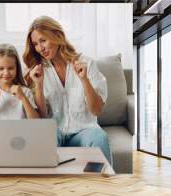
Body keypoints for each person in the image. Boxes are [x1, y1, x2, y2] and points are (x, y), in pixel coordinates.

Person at [23, 16, 113, 165]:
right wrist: (38, 85)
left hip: (84, 131)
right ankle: (52, 187)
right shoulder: (38, 70)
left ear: (57, 36)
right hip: (55, 132)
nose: (40, 48)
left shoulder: (87, 63)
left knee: (100, 138)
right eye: (35, 44)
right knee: (44, 137)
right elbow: (43, 116)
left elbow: (96, 110)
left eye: (43, 40)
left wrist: (84, 79)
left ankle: (103, 186)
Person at [0, 43, 39, 123]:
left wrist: (23, 98)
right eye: (1, 69)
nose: (6, 73)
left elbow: (36, 122)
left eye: (11, 68)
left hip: (19, 134)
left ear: (17, 68)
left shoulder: (25, 92)